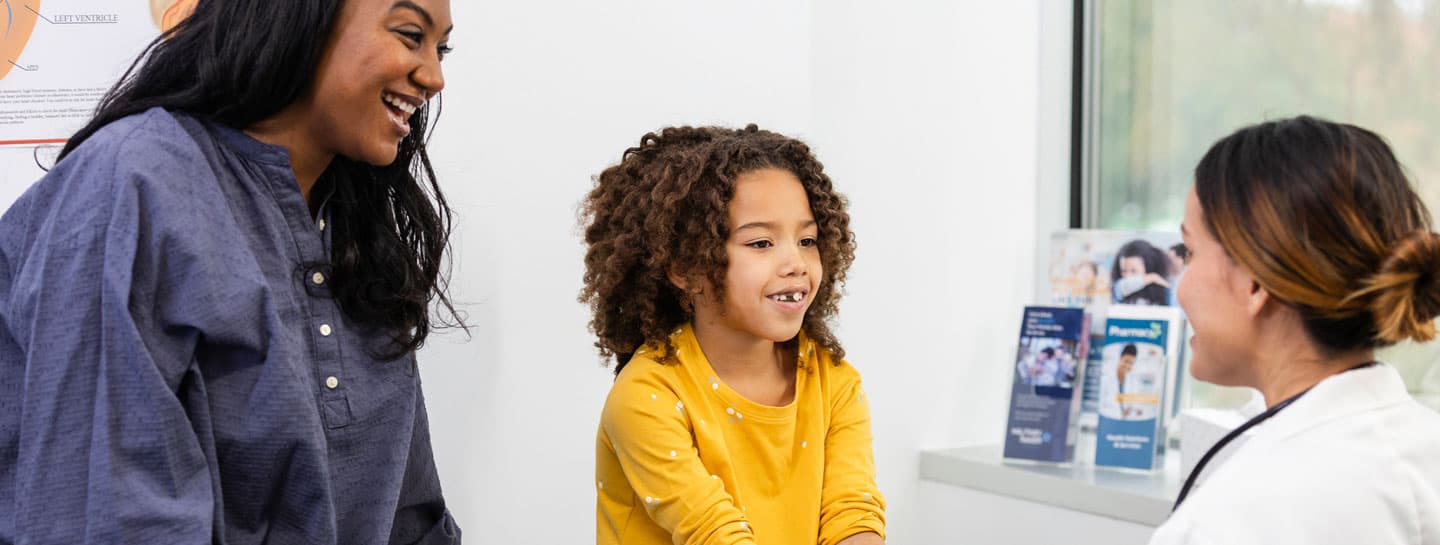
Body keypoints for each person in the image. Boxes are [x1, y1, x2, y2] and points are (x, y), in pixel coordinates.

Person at [0, 0, 463, 543]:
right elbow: (103, 518)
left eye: (442, 49)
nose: (434, 77)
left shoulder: (353, 226)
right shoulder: (131, 186)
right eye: (410, 35)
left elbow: (412, 517)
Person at [581, 125, 886, 545]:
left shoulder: (833, 382)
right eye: (761, 243)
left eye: (807, 239)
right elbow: (713, 532)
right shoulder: (647, 396)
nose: (796, 262)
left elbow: (852, 515)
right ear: (687, 268)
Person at [1150, 116, 1440, 544]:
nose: (1181, 286)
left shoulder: (1228, 522)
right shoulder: (1423, 451)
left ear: (1254, 282)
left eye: (1189, 252)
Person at [1111, 239, 1172, 305]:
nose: (1128, 276)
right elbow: (1124, 286)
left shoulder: (1162, 291)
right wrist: (1152, 278)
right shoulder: (1118, 288)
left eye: (1133, 271)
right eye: (1124, 271)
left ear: (1148, 268)